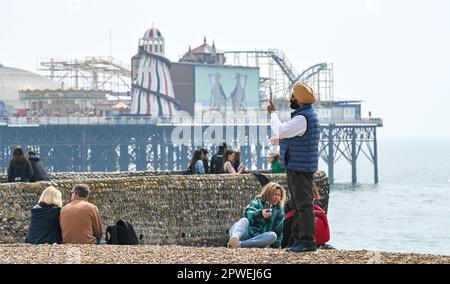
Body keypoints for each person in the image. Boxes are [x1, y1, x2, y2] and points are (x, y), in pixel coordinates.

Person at [268, 81, 320, 253]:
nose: (290, 98)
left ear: (298, 100)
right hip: (300, 165)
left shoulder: (301, 118)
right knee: (298, 204)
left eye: (293, 96)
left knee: (303, 205)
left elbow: (281, 130)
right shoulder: (307, 116)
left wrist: (272, 114)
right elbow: (294, 137)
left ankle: (307, 242)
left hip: (300, 168)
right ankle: (299, 241)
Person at [227, 182, 286, 248]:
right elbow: (246, 213)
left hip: (257, 239)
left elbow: (278, 231)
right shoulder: (257, 202)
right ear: (268, 193)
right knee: (244, 220)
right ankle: (234, 238)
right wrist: (260, 214)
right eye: (275, 194)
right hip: (245, 232)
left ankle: (240, 244)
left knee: (273, 235)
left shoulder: (278, 211)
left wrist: (276, 245)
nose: (277, 197)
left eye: (279, 195)